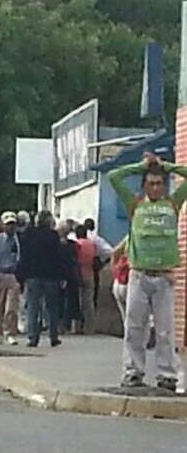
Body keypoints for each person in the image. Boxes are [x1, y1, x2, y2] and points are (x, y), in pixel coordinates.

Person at [108, 153, 186, 391]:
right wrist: (140, 166)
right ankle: (133, 372)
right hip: (139, 275)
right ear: (144, 186)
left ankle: (167, 375)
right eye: (151, 183)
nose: (155, 187)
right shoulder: (135, 205)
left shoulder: (173, 204)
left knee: (165, 330)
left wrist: (167, 166)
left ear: (165, 185)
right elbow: (114, 176)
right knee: (134, 327)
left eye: (160, 183)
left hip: (164, 277)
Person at [20, 210, 63, 348]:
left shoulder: (29, 234)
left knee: (33, 307)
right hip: (50, 276)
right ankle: (53, 336)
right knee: (51, 308)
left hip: (33, 275)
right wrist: (61, 275)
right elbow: (58, 258)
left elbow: (24, 256)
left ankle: (33, 337)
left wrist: (22, 275)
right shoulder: (53, 236)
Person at [0, 212, 21, 345]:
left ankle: (10, 332)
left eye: (13, 225)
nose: (11, 228)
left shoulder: (18, 240)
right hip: (0, 274)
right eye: (8, 225)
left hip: (13, 275)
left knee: (12, 307)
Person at [57, 224, 81, 334]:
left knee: (61, 301)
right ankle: (72, 326)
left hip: (63, 275)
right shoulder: (73, 245)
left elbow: (62, 262)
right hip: (72, 275)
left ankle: (61, 325)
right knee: (72, 301)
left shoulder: (59, 246)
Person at [75, 225, 96, 335]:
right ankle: (90, 327)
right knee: (89, 302)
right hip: (90, 273)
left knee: (78, 301)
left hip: (79, 274)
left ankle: (77, 327)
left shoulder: (77, 244)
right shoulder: (91, 244)